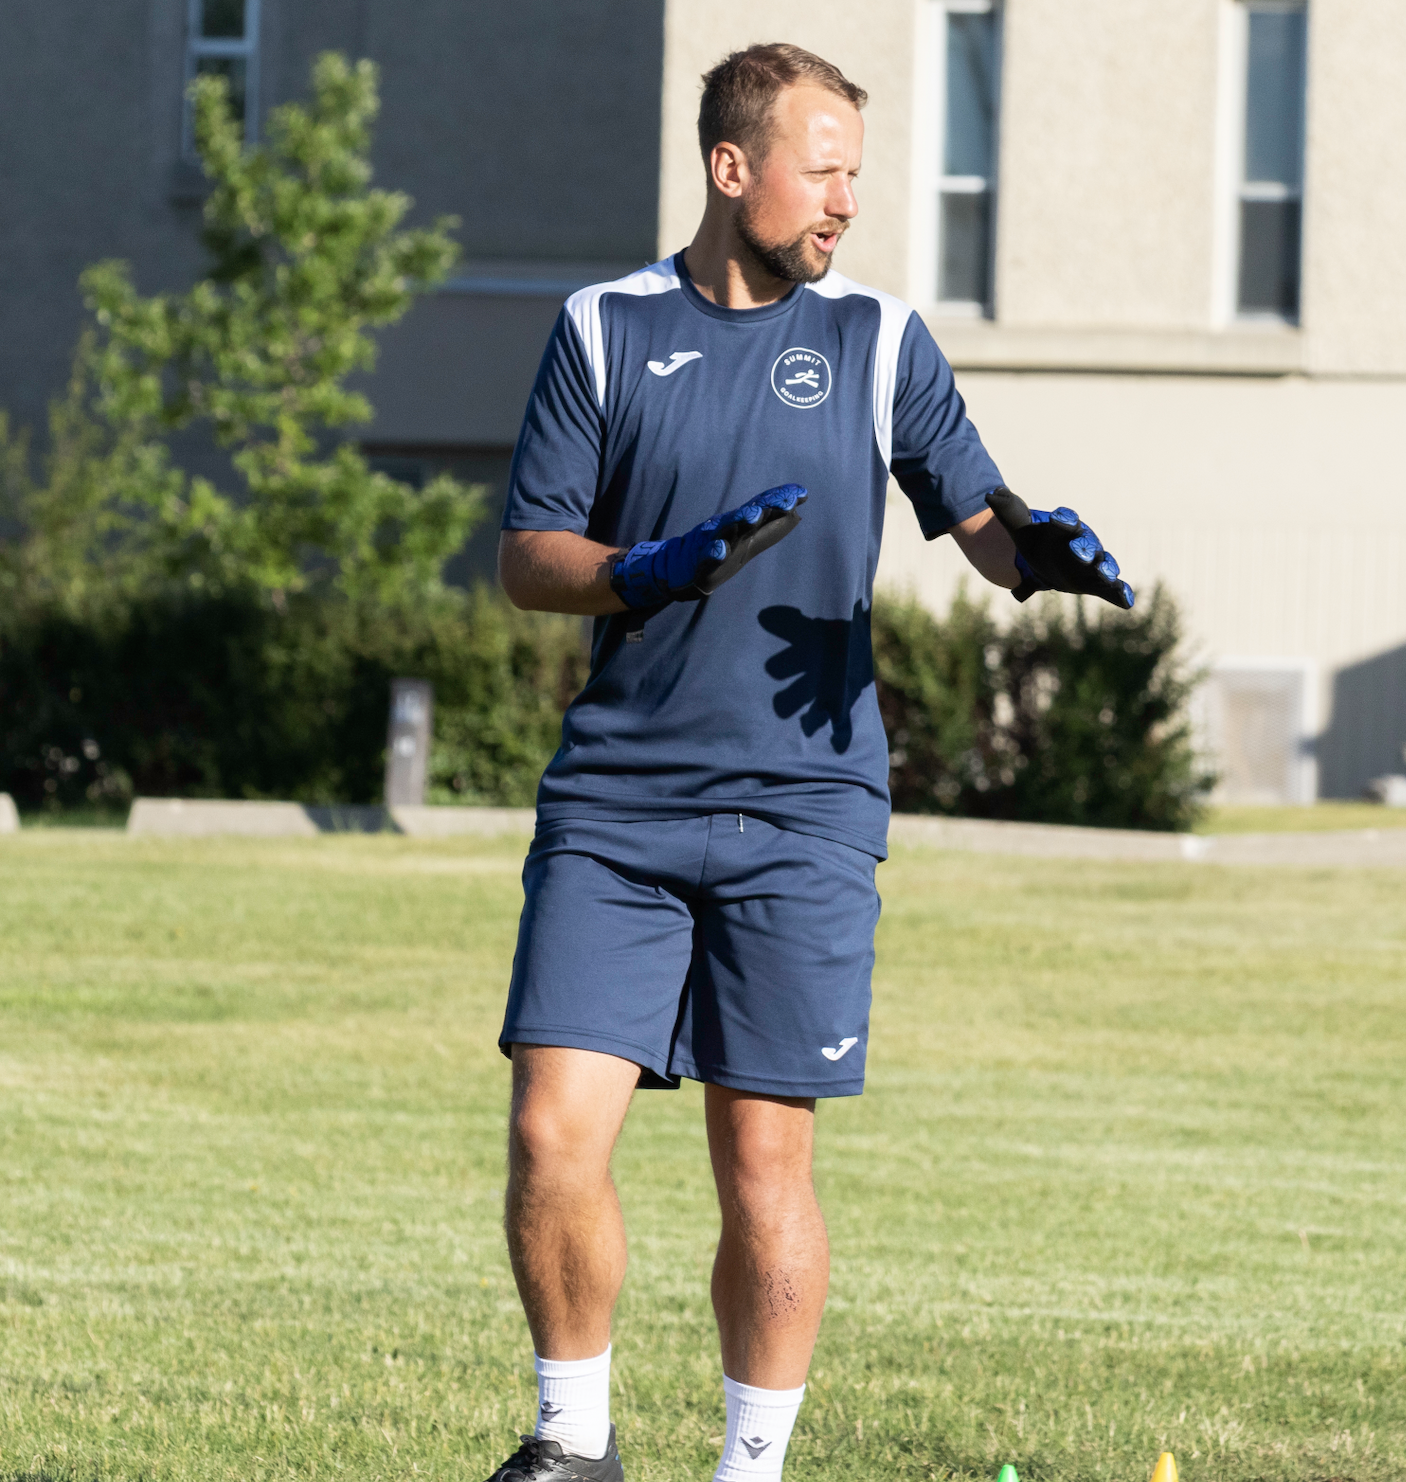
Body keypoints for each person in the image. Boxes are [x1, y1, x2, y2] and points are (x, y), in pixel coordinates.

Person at [484, 41, 1133, 1482]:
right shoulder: (601, 328)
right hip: (621, 804)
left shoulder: (880, 342)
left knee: (765, 1166)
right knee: (550, 1129)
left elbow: (975, 515)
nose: (845, 199)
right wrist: (639, 571)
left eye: (856, 172)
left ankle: (750, 1470)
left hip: (806, 811)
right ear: (734, 169)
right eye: (821, 167)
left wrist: (1036, 556)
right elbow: (531, 555)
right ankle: (574, 1446)